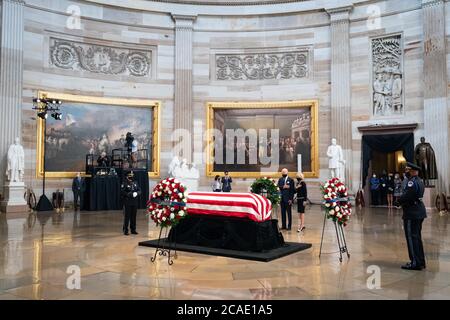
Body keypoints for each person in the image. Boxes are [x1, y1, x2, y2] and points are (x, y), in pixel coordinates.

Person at [399, 162, 427, 270]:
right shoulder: (419, 181)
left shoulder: (411, 182)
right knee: (417, 237)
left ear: (412, 171)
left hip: (412, 212)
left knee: (411, 238)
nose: (406, 172)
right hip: (419, 211)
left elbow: (408, 195)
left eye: (407, 170)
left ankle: (414, 262)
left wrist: (399, 201)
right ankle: (420, 261)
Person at [121, 171, 141, 236]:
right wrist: (130, 194)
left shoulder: (135, 182)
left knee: (133, 216)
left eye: (132, 176)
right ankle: (125, 230)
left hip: (134, 202)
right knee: (127, 216)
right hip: (127, 201)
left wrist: (137, 193)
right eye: (130, 176)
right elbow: (122, 192)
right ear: (127, 176)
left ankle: (133, 229)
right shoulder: (124, 183)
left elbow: (139, 190)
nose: (131, 177)